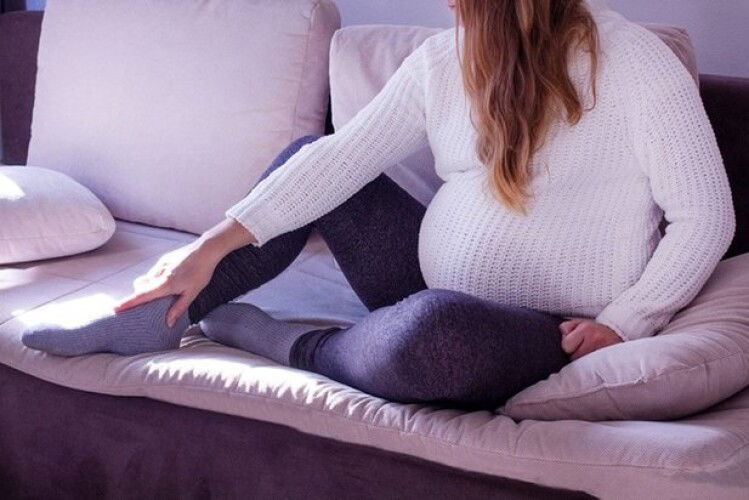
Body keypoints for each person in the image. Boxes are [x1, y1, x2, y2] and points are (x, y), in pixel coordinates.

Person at [23, 0, 735, 409]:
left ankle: (288, 342)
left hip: (548, 329)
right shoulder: (444, 60)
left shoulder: (636, 63)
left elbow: (705, 214)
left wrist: (624, 323)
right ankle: (158, 317)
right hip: (419, 279)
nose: (448, 4)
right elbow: (339, 161)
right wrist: (207, 247)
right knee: (308, 159)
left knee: (437, 336)